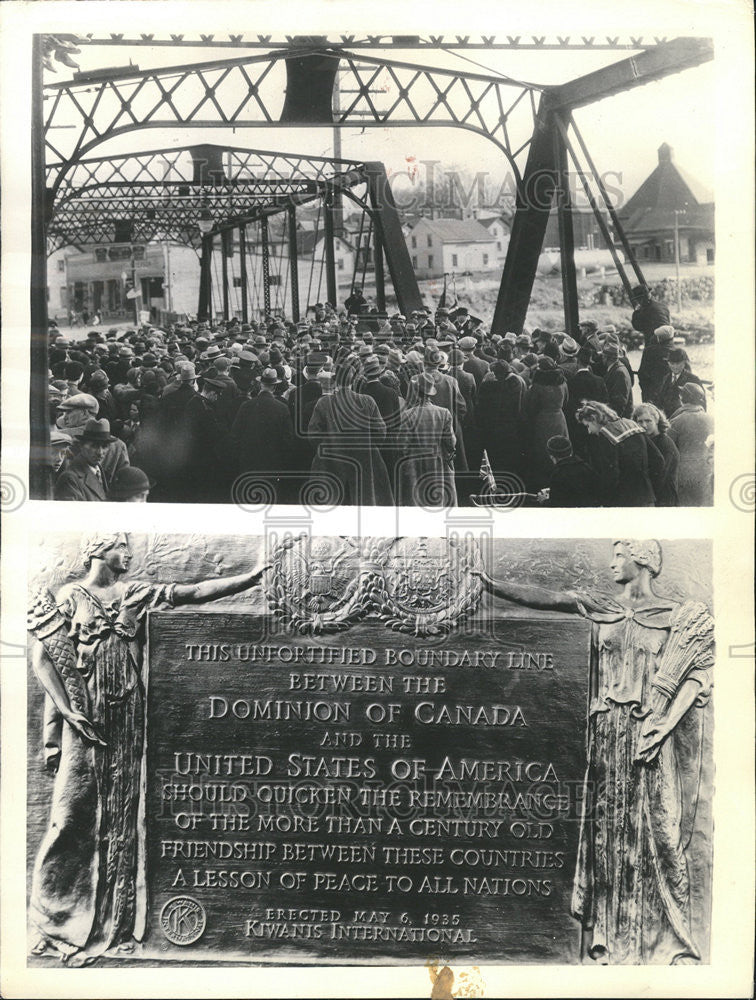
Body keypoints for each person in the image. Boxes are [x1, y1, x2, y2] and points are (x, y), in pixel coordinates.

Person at [27, 533, 273, 965]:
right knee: (69, 818)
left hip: (126, 720)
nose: (129, 554)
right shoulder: (70, 597)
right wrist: (66, 717)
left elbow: (193, 593)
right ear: (99, 550)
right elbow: (44, 658)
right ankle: (51, 918)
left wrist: (248, 578)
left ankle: (113, 924)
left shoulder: (137, 593)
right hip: (85, 722)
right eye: (122, 547)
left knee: (124, 817)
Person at [473, 539, 713, 965]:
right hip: (608, 736)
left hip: (651, 735)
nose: (611, 563)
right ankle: (608, 940)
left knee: (662, 832)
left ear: (642, 560)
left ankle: (671, 942)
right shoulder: (601, 605)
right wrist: (492, 584)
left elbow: (697, 677)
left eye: (619, 556)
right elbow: (550, 598)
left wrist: (664, 724)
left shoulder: (676, 618)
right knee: (607, 833)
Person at [307, 357, 393, 506]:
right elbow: (381, 432)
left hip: (331, 462)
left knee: (331, 506)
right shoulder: (367, 401)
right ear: (354, 380)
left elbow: (313, 434)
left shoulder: (324, 402)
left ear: (335, 380)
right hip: (365, 462)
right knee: (363, 504)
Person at [231, 368, 295, 500]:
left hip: (248, 463)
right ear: (275, 386)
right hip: (272, 464)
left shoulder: (246, 405)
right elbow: (288, 440)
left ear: (260, 384)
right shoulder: (282, 408)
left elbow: (235, 435)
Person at [577, 401, 656, 506]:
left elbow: (611, 476)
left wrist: (603, 501)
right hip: (647, 495)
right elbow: (658, 459)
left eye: (588, 425)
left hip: (626, 501)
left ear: (594, 419)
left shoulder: (606, 435)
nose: (589, 431)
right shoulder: (632, 424)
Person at [396, 371, 457, 506]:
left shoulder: (407, 414)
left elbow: (402, 444)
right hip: (437, 461)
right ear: (431, 393)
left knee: (417, 501)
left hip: (415, 463)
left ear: (416, 392)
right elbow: (451, 442)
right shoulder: (443, 413)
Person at [522, 357, 569, 490]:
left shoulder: (537, 386)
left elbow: (531, 407)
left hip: (543, 421)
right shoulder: (563, 383)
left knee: (543, 452)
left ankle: (544, 483)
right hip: (560, 419)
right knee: (561, 450)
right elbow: (566, 401)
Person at [475, 360, 525, 481]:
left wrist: (485, 381)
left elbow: (481, 404)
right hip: (510, 427)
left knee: (495, 457)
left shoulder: (488, 385)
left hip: (493, 428)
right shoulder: (515, 382)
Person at [668, 383, 714, 506]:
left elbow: (668, 449)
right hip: (706, 473)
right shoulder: (711, 420)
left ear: (682, 398)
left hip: (683, 474)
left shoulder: (676, 421)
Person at [54, 419, 115, 501]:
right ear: (81, 445)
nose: (100, 452)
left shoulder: (99, 470)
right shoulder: (70, 479)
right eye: (94, 446)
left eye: (104, 446)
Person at [634, 403, 680, 506]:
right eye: (640, 421)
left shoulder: (665, 444)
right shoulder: (647, 441)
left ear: (657, 421)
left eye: (648, 421)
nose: (644, 425)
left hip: (664, 499)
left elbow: (660, 478)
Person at [538, 435, 600, 507]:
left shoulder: (558, 475)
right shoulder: (586, 467)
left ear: (552, 457)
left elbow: (557, 506)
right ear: (571, 451)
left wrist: (544, 501)